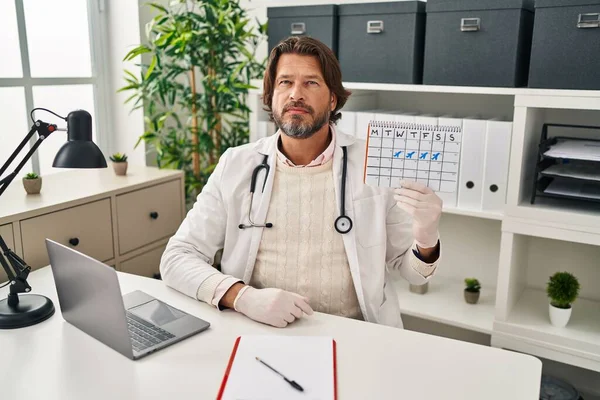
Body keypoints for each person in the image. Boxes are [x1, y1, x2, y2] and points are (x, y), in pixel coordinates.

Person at [160, 36, 442, 329]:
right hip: (259, 327)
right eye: (285, 82)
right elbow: (177, 258)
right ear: (270, 96)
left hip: (356, 332)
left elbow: (413, 273)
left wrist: (426, 237)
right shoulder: (236, 164)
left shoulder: (374, 163)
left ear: (333, 99)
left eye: (311, 83)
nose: (296, 94)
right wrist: (241, 297)